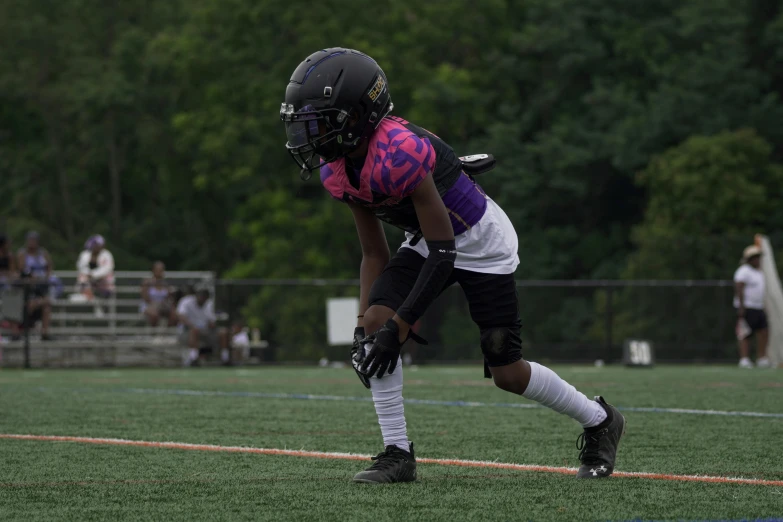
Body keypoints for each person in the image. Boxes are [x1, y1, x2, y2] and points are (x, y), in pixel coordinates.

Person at [280, 48, 626, 483]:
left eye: (319, 121)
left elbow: (447, 253)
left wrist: (401, 327)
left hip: (480, 242)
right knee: (376, 322)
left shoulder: (398, 153)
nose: (309, 135)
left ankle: (600, 419)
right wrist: (365, 328)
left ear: (357, 117)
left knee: (507, 373)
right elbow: (374, 254)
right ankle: (397, 453)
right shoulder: (339, 171)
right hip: (428, 239)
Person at [734, 245, 770, 369]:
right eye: (754, 258)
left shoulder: (759, 272)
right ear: (749, 259)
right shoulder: (743, 271)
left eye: (758, 257)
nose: (757, 260)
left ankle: (761, 358)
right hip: (747, 307)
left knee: (763, 332)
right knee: (745, 334)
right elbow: (739, 288)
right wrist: (741, 307)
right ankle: (744, 359)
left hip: (758, 307)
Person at [177, 287, 229, 366]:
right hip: (187, 331)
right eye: (202, 296)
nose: (203, 299)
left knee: (223, 332)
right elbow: (181, 316)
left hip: (205, 331)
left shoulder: (208, 304)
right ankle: (193, 359)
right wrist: (192, 326)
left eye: (205, 297)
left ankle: (225, 358)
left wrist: (212, 324)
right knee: (195, 331)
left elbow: (211, 320)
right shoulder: (186, 301)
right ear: (197, 295)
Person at [16, 231, 53, 340]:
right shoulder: (22, 253)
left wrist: (45, 277)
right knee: (30, 305)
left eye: (34, 240)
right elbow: (21, 270)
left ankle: (44, 333)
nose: (32, 242)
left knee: (46, 305)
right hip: (27, 287)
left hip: (41, 286)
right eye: (30, 240)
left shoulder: (43, 253)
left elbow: (49, 267)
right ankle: (24, 330)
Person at [76, 235, 115, 299]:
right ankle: (89, 298)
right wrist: (89, 274)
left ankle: (102, 298)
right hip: (89, 281)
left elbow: (107, 268)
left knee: (109, 278)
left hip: (103, 282)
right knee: (82, 278)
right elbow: (80, 266)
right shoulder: (85, 254)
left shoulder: (106, 254)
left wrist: (93, 274)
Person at [140, 261, 177, 327]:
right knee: (154, 314)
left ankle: (166, 333)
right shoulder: (147, 282)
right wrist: (155, 305)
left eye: (161, 270)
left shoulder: (165, 283)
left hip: (162, 305)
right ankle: (154, 333)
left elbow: (168, 297)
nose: (160, 272)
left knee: (173, 313)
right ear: (153, 270)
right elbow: (145, 297)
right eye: (158, 270)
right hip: (149, 305)